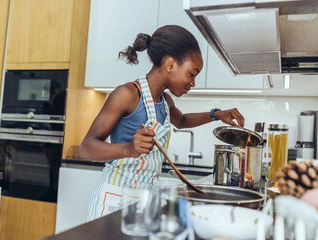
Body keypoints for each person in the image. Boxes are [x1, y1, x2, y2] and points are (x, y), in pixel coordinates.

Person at [79, 25, 245, 221]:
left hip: (144, 199)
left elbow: (182, 121)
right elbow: (85, 148)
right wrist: (128, 149)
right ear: (170, 64)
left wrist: (216, 114)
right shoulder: (127, 94)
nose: (193, 83)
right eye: (191, 74)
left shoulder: (165, 102)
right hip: (115, 196)